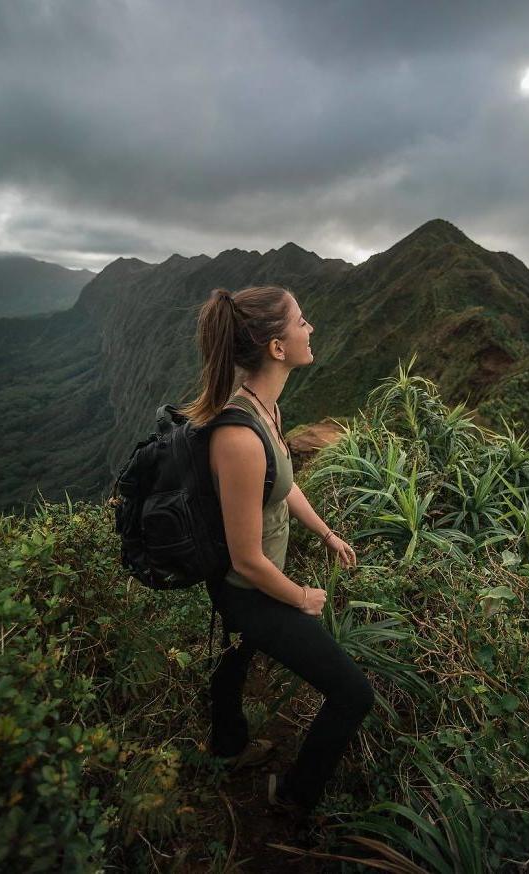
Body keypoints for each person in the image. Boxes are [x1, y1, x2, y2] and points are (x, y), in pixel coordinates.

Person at [178, 285, 375, 816]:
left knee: (236, 658)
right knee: (353, 694)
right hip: (250, 590)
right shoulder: (239, 437)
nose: (310, 329)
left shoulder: (266, 410)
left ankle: (227, 746)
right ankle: (294, 801)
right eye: (302, 322)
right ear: (277, 348)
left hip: (252, 583)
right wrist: (300, 597)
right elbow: (246, 559)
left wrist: (326, 532)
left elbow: (283, 483)